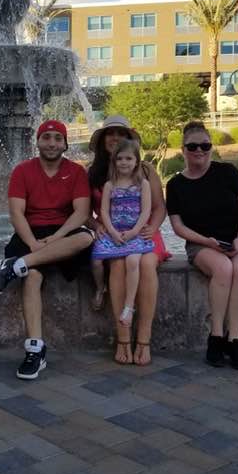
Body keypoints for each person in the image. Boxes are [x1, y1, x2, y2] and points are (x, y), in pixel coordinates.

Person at [0, 120, 97, 381]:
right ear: (37, 141)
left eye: (57, 138)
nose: (52, 143)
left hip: (63, 233)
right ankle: (35, 349)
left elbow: (82, 213)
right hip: (30, 232)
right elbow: (16, 213)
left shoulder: (76, 172)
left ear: (65, 144)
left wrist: (55, 237)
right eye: (46, 137)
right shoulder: (22, 170)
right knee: (33, 276)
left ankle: (16, 265)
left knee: (86, 237)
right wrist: (34, 242)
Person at [166, 121, 238, 371]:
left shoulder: (227, 172)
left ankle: (234, 340)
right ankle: (216, 337)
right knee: (223, 269)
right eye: (193, 146)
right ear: (183, 149)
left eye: (205, 145)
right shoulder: (175, 185)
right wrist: (205, 241)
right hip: (201, 243)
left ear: (211, 147)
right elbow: (178, 226)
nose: (199, 150)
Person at [87, 115, 169, 366]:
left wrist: (151, 228)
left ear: (130, 140)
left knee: (145, 265)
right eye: (110, 133)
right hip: (113, 234)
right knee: (118, 266)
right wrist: (97, 225)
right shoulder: (93, 173)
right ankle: (123, 339)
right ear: (102, 140)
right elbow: (86, 213)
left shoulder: (145, 171)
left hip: (143, 231)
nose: (115, 138)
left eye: (121, 134)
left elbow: (158, 208)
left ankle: (143, 339)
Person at [92, 138, 155, 329]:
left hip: (134, 235)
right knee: (96, 259)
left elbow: (146, 210)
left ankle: (129, 306)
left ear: (136, 161)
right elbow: (103, 211)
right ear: (114, 161)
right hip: (115, 233)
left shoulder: (142, 184)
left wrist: (134, 231)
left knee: (132, 261)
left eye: (129, 158)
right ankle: (99, 288)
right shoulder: (110, 185)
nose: (124, 162)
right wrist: (111, 231)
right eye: (120, 159)